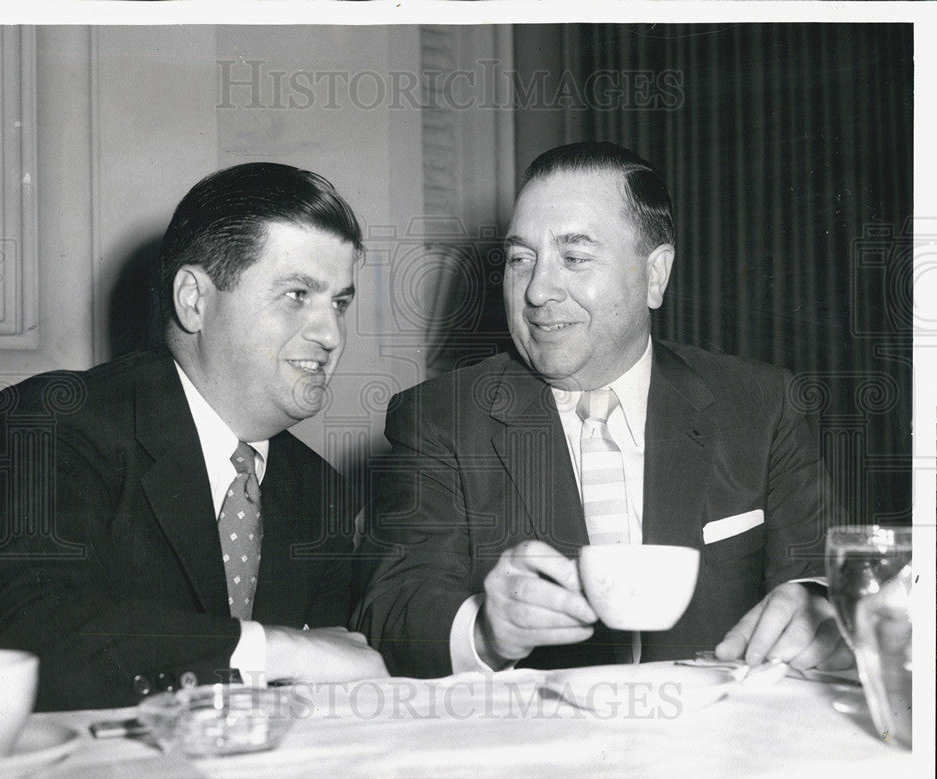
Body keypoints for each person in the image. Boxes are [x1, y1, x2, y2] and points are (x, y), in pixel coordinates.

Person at [353, 141, 852, 678]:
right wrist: (484, 628)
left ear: (655, 275)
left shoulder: (760, 405)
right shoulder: (441, 419)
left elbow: (825, 574)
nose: (538, 291)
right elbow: (389, 612)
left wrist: (817, 604)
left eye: (574, 258)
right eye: (521, 260)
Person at [0, 162, 388, 711]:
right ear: (194, 300)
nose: (331, 335)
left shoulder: (321, 492)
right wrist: (272, 648)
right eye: (298, 295)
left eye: (340, 303)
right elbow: (17, 632)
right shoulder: (56, 424)